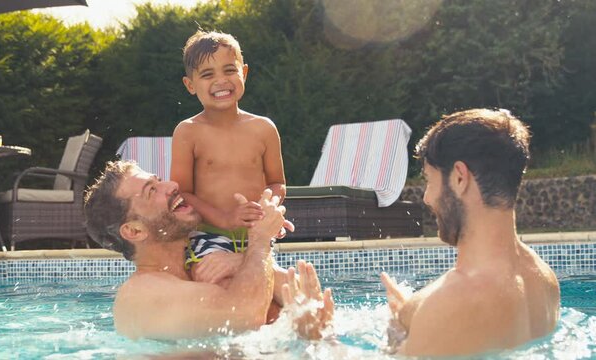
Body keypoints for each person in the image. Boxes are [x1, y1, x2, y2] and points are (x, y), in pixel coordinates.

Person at [286, 109, 561, 356]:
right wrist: (412, 321)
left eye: (429, 180)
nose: (428, 198)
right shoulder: (544, 280)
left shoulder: (451, 304)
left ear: (459, 178)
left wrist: (318, 339)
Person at [84, 161, 291, 340]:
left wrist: (240, 261)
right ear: (134, 230)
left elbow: (312, 305)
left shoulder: (204, 265)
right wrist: (260, 239)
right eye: (152, 190)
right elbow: (246, 317)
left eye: (159, 180)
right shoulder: (140, 294)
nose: (173, 185)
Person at [171, 30, 291, 286]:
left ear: (243, 73)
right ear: (190, 85)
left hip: (256, 236)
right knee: (222, 287)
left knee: (278, 296)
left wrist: (267, 208)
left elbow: (277, 183)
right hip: (208, 235)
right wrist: (225, 219)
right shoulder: (188, 132)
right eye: (207, 74)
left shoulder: (264, 129)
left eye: (229, 70)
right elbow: (182, 194)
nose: (220, 81)